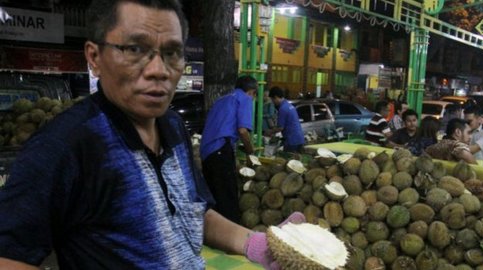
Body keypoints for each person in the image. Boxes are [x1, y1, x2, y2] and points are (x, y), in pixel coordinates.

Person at [0, 1, 305, 269]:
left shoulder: (172, 126)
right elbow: (8, 257)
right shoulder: (62, 146)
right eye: (135, 49)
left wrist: (256, 244)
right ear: (94, 57)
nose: (159, 69)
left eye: (172, 52)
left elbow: (194, 214)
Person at [200, 75, 257, 223]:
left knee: (214, 195)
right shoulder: (245, 99)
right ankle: (233, 236)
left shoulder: (222, 99)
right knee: (228, 196)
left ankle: (212, 235)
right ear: (251, 92)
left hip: (206, 152)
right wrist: (251, 151)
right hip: (220, 149)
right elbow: (243, 130)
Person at [266, 86, 305, 153]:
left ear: (276, 97)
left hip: (291, 141)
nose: (272, 102)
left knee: (288, 160)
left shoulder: (282, 108)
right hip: (299, 139)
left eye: (272, 100)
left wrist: (270, 132)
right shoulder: (289, 105)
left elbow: (280, 128)